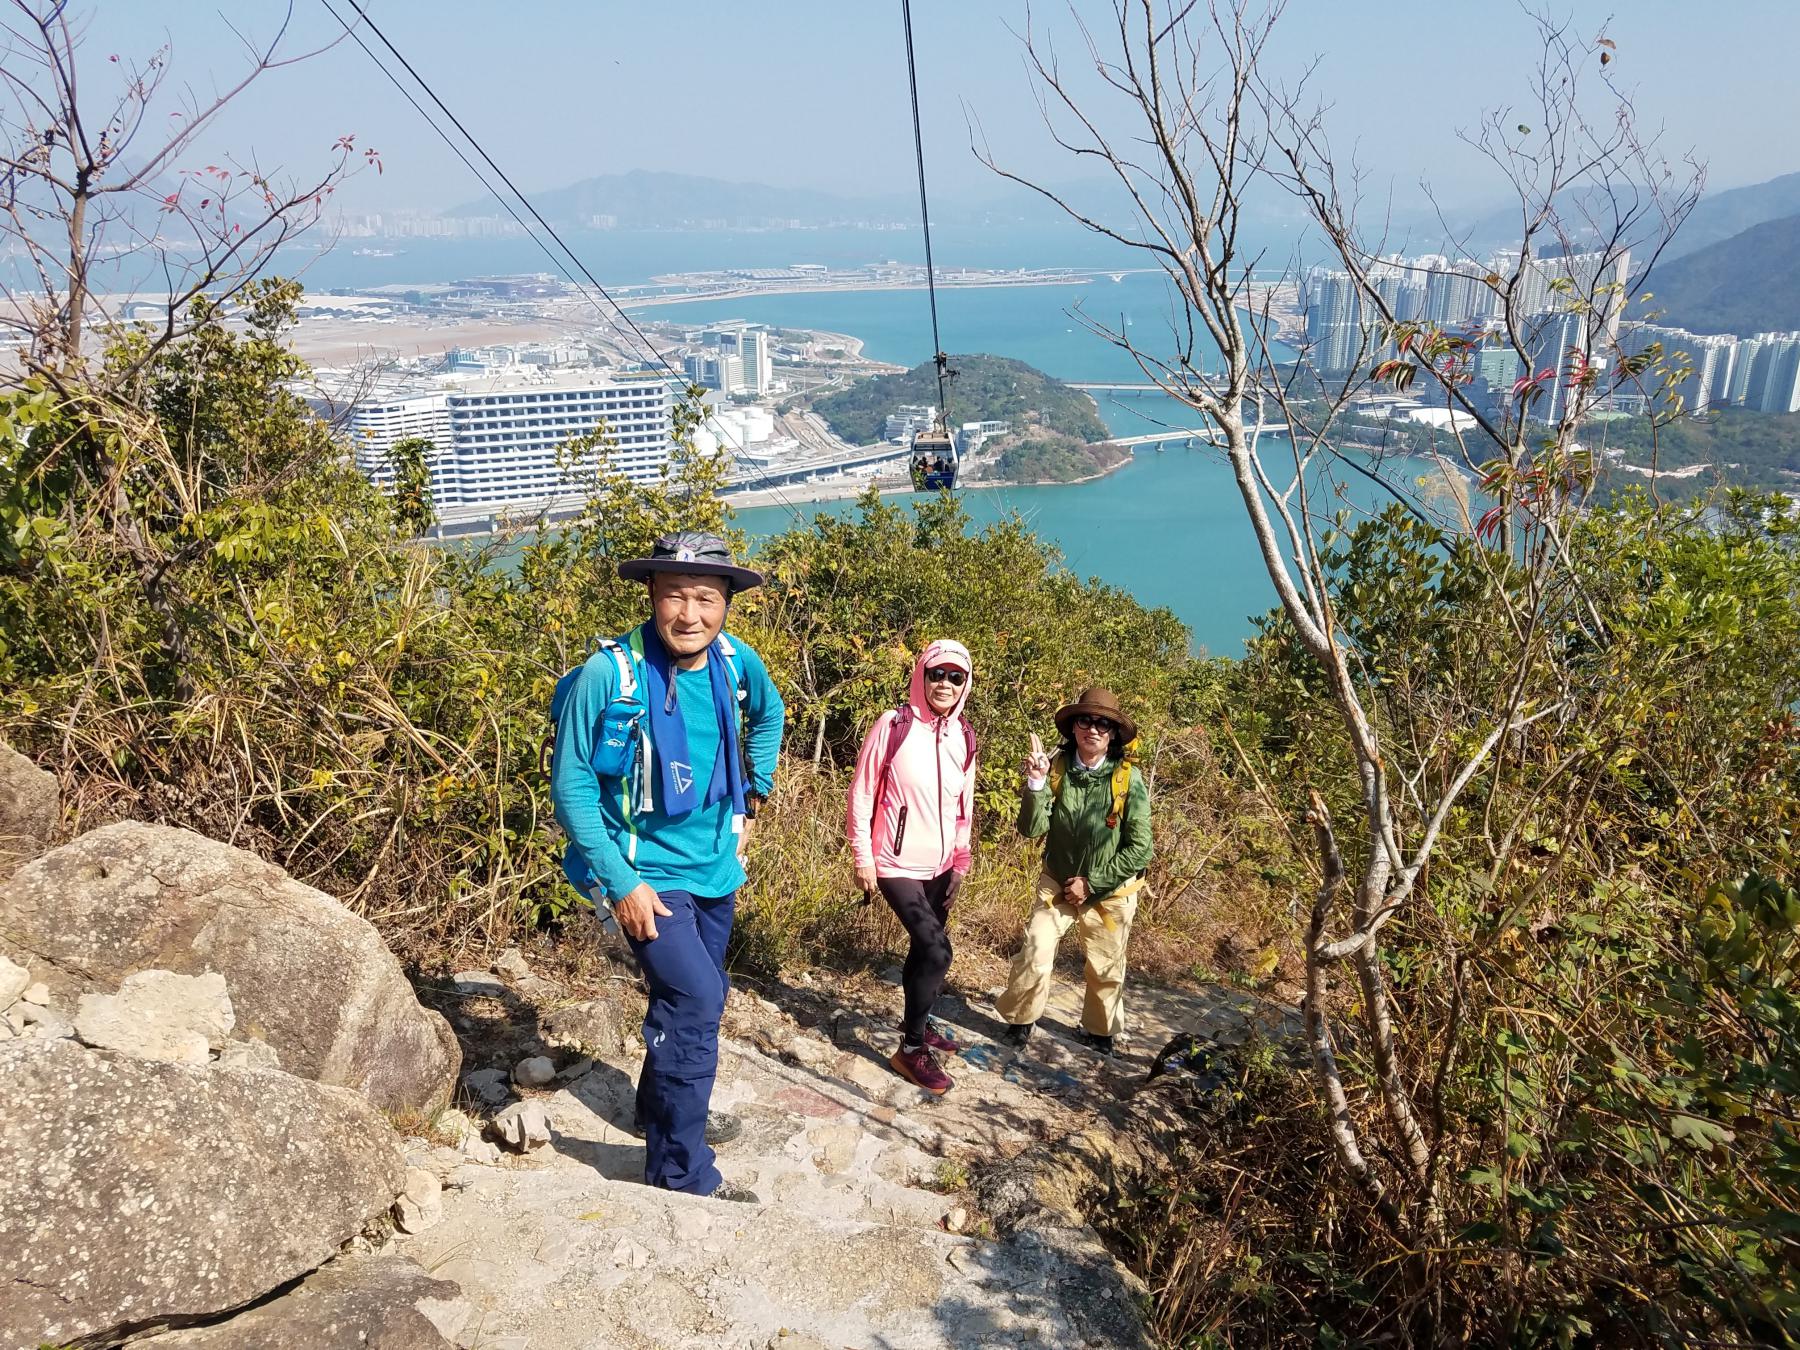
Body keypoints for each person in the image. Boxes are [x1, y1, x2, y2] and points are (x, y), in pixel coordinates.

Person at [551, 531, 785, 1201]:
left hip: (715, 868)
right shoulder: (609, 675)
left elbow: (770, 715)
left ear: (727, 604)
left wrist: (756, 788)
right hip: (644, 874)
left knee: (683, 998)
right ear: (651, 595)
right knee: (698, 999)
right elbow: (571, 786)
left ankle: (660, 1112)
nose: (690, 614)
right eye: (675, 596)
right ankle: (681, 1172)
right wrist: (621, 883)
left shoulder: (735, 661)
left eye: (706, 598)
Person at [845, 641, 977, 1096]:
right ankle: (911, 1049)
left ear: (965, 684)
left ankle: (917, 1020)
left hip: (942, 864)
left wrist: (961, 859)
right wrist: (862, 856)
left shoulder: (964, 735)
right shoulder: (894, 724)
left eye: (956, 677)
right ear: (922, 675)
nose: (945, 684)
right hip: (894, 860)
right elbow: (862, 791)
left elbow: (964, 805)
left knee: (923, 951)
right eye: (937, 673)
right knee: (939, 952)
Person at [995, 686, 1152, 1056]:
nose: (1093, 729)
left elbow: (1141, 847)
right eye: (1085, 720)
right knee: (1036, 947)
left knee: (1105, 967)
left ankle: (1101, 1033)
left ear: (1113, 734)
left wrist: (1092, 883)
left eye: (1102, 723)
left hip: (1110, 889)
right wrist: (1036, 783)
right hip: (1057, 881)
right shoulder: (1058, 769)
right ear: (1073, 727)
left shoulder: (1128, 778)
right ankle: (1021, 1021)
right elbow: (1031, 829)